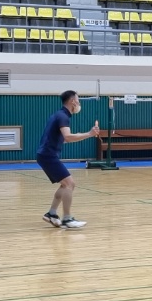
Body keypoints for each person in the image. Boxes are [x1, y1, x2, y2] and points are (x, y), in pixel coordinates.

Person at [36, 91, 100, 229]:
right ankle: (67, 219)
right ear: (72, 101)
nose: (79, 103)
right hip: (48, 156)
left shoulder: (59, 115)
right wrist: (89, 134)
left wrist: (79, 135)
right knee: (70, 184)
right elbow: (68, 137)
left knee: (65, 185)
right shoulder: (63, 117)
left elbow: (62, 138)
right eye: (78, 100)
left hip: (45, 155)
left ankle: (51, 214)